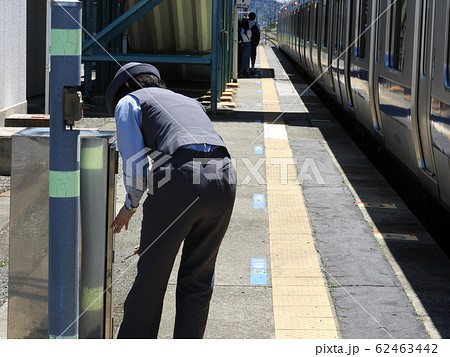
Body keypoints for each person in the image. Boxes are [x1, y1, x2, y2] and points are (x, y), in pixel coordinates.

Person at [105, 62, 237, 338]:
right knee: (199, 279)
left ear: (121, 90)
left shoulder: (129, 103)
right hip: (225, 176)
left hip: (181, 177)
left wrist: (130, 205)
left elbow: (134, 162)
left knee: (152, 278)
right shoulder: (188, 101)